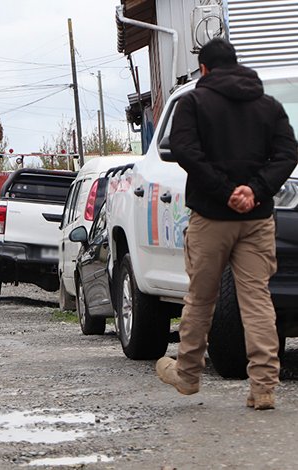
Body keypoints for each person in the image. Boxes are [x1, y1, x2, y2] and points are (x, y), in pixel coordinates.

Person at [156, 38, 298, 410]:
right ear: (236, 65)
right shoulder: (268, 106)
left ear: (204, 69)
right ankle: (264, 387)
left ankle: (187, 376)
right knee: (257, 300)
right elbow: (287, 153)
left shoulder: (193, 103)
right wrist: (253, 190)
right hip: (257, 219)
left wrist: (224, 192)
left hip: (211, 217)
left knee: (201, 298)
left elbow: (185, 150)